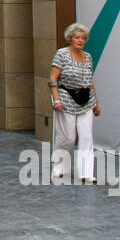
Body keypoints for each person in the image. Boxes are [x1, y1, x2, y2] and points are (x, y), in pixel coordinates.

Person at [49, 23, 102, 183]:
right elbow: (53, 78)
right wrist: (56, 99)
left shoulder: (88, 57)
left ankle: (86, 173)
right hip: (66, 99)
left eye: (83, 38)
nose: (80, 40)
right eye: (77, 37)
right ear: (70, 38)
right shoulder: (62, 54)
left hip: (86, 100)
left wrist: (96, 103)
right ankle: (59, 167)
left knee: (86, 137)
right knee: (68, 138)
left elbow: (90, 81)